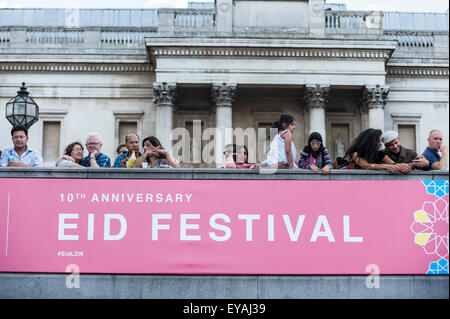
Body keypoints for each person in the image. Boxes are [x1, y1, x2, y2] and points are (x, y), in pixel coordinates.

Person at [343, 128, 410, 173]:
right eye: (379, 141)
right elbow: (366, 166)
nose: (381, 144)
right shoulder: (355, 152)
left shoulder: (378, 153)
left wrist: (402, 166)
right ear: (371, 142)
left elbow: (392, 163)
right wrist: (386, 166)